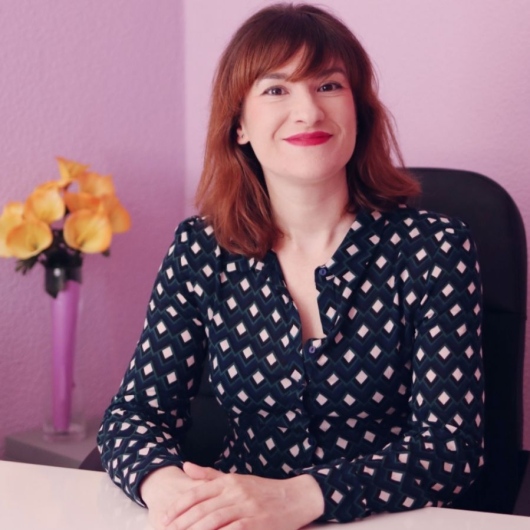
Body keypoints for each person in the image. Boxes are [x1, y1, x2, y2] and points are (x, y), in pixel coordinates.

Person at [98, 3, 484, 529]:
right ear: (239, 125)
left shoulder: (433, 248)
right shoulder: (201, 249)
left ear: (358, 110)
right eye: (276, 89)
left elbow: (450, 448)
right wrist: (174, 493)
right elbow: (134, 416)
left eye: (328, 85)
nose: (308, 111)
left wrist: (299, 497)